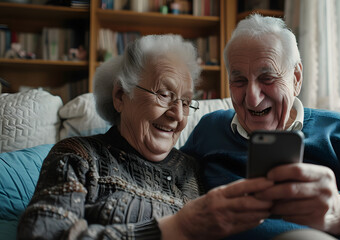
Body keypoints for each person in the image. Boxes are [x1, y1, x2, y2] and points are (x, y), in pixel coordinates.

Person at [17, 34, 276, 239]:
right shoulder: (79, 156)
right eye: (164, 95)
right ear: (120, 96)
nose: (177, 114)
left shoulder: (192, 170)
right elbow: (43, 234)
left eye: (186, 102)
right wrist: (174, 228)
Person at [181, 14, 340, 239]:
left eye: (267, 78)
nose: (252, 98)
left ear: (296, 78)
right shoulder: (210, 128)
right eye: (239, 80)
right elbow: (168, 183)